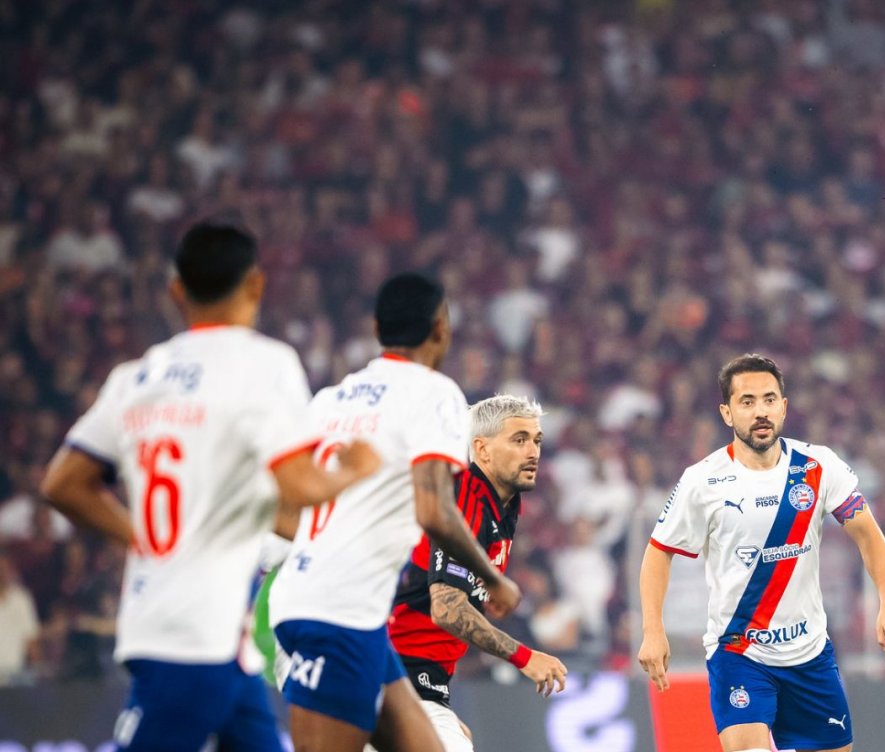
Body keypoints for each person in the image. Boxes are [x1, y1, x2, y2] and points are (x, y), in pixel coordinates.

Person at [39, 221, 380, 750]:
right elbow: (298, 487)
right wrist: (355, 469)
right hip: (194, 640)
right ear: (256, 285)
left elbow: (64, 483)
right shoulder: (263, 364)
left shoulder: (136, 378)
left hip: (192, 627)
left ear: (176, 290)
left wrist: (143, 536)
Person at [268, 272, 522, 752]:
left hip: (344, 608)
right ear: (440, 329)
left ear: (376, 326)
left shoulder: (329, 400)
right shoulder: (434, 394)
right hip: (334, 612)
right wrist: (491, 577)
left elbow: (279, 508)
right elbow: (434, 509)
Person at [637, 353, 885, 752]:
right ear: (727, 413)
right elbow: (658, 554)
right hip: (739, 652)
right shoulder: (703, 481)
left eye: (768, 399)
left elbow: (869, 535)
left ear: (783, 407)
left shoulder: (819, 466)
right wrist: (653, 631)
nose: (760, 411)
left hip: (810, 653)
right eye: (747, 402)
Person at [387, 394, 569, 750]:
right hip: (390, 676)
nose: (532, 451)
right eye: (519, 440)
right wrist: (524, 657)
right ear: (481, 450)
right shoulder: (466, 498)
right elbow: (446, 607)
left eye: (536, 440)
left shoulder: (504, 507)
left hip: (414, 684)